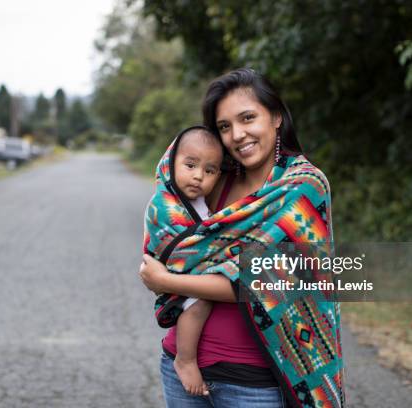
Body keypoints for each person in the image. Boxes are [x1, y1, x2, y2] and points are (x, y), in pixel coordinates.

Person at [140, 68, 344, 408]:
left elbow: (263, 282)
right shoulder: (214, 177)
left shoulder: (302, 187)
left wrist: (167, 278)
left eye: (247, 118)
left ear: (276, 117)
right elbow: (170, 235)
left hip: (252, 383)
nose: (237, 135)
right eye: (224, 126)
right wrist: (168, 263)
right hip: (179, 368)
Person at [148, 126, 224, 396]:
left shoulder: (200, 200)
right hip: (181, 276)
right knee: (199, 301)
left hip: (186, 275)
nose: (198, 176)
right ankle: (186, 358)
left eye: (209, 171)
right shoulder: (166, 201)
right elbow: (168, 238)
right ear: (171, 163)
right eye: (190, 165)